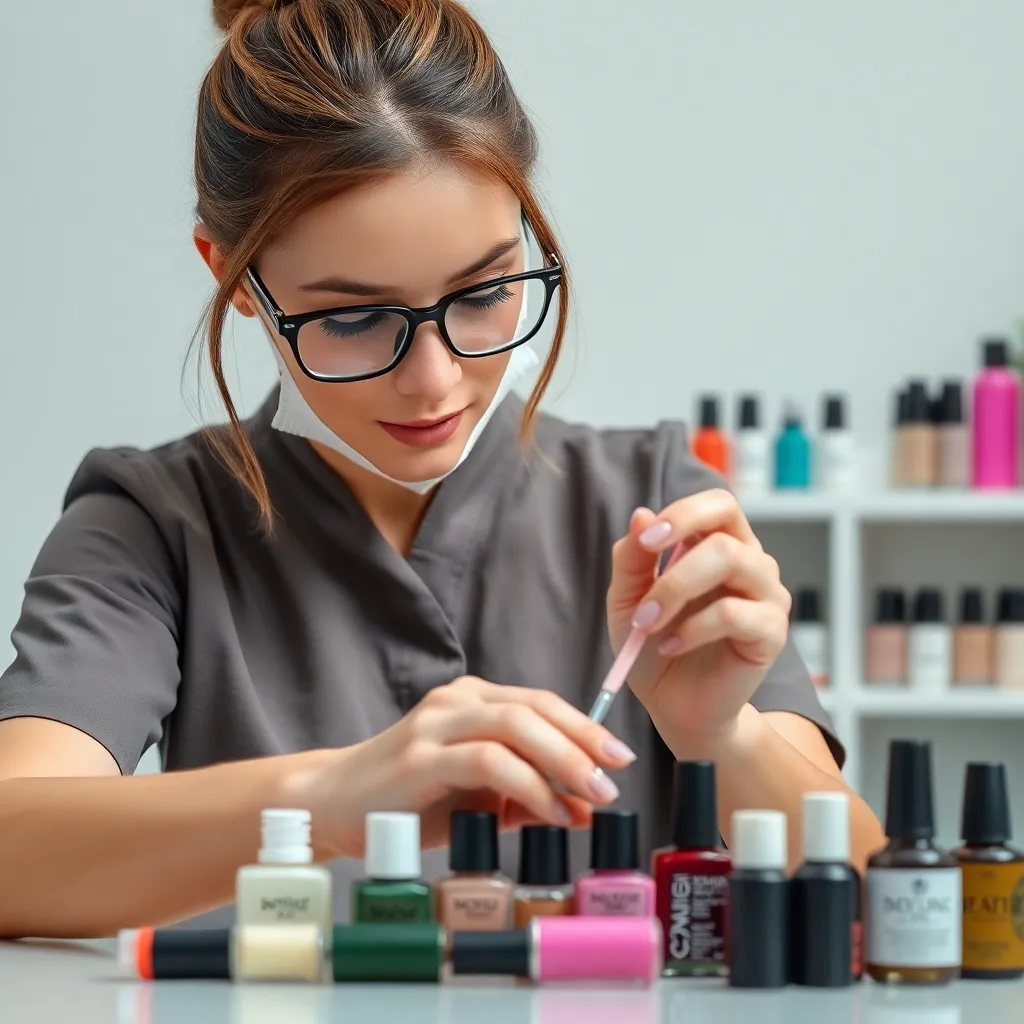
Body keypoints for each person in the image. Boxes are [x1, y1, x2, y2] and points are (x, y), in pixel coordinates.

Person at [0, 0, 883, 939]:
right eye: (349, 318)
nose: (436, 380)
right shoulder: (151, 523)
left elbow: (885, 907)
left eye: (487, 292)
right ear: (234, 280)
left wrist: (723, 737)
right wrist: (328, 799)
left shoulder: (656, 499)